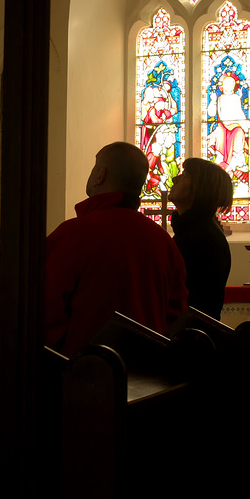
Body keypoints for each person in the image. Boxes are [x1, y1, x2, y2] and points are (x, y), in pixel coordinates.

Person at [45, 142, 188, 357]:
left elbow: (46, 311)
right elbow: (176, 316)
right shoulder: (164, 241)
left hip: (82, 374)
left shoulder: (74, 234)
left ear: (100, 175)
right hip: (148, 375)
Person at [168, 157, 233, 320]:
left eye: (184, 176)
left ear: (199, 188)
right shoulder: (190, 230)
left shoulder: (206, 238)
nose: (175, 179)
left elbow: (198, 305)